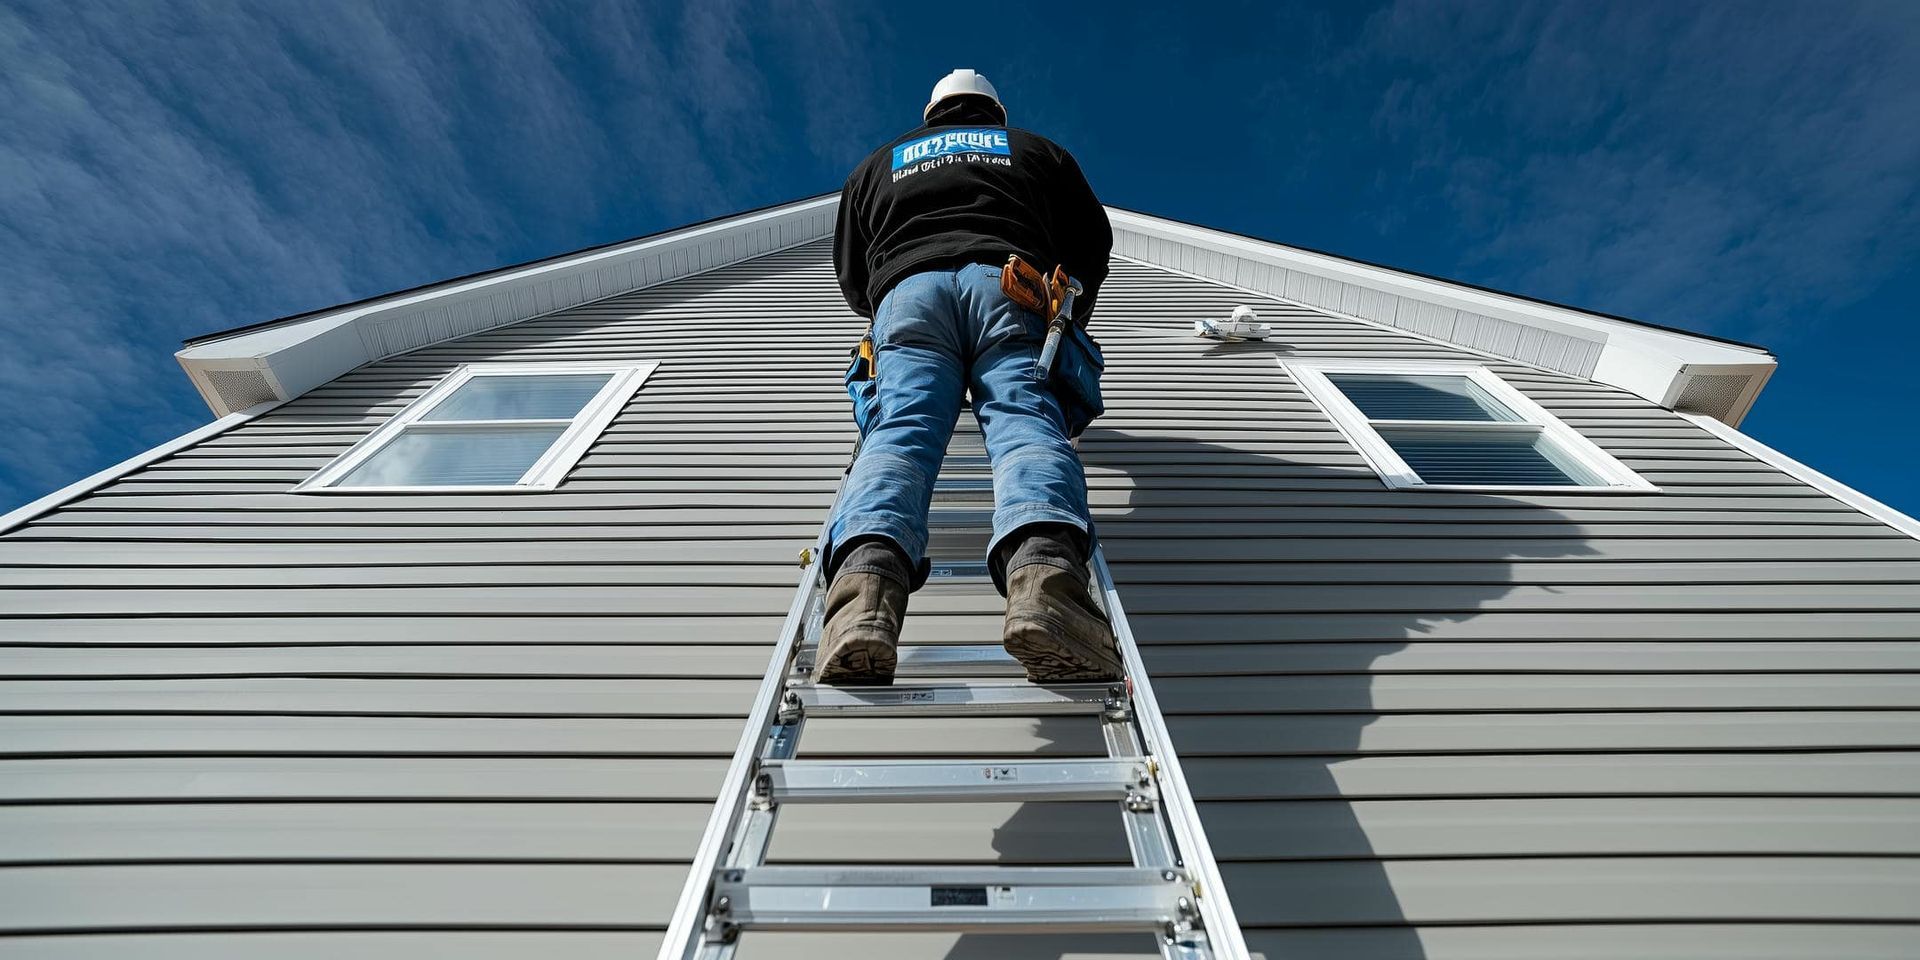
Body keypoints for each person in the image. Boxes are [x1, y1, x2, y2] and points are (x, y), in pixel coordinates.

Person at [819, 68, 1119, 686]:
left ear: (933, 113)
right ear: (994, 113)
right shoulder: (1035, 150)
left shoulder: (878, 165)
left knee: (898, 434)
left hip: (907, 295)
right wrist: (1064, 319)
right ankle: (1046, 591)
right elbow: (1091, 244)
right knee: (1025, 423)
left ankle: (861, 609)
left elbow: (852, 276)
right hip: (1011, 285)